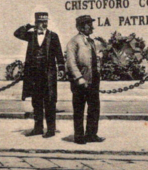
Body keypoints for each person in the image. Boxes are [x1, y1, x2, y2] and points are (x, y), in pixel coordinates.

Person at [13, 11, 65, 138]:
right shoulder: (30, 35)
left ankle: (51, 129)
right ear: (36, 23)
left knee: (49, 102)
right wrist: (29, 26)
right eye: (41, 22)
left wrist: (62, 68)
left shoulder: (53, 36)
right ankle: (38, 128)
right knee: (36, 102)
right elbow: (17, 33)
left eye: (45, 22)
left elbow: (59, 53)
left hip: (48, 74)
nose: (44, 25)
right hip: (34, 74)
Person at [66, 15, 104, 144]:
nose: (92, 27)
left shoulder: (92, 42)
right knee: (79, 109)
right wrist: (79, 77)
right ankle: (79, 136)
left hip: (93, 80)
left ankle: (92, 134)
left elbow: (95, 59)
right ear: (81, 27)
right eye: (89, 24)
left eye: (91, 24)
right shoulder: (74, 42)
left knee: (94, 108)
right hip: (80, 82)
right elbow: (71, 63)